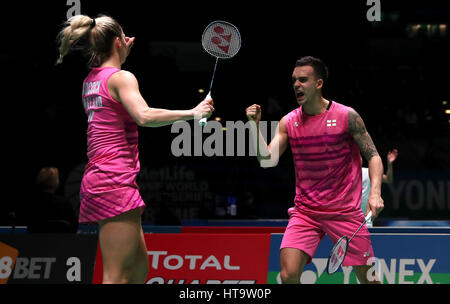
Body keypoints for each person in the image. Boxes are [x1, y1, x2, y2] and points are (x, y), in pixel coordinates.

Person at [56, 15, 214, 284]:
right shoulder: (121, 78)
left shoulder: (91, 81)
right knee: (115, 275)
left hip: (104, 178)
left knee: (140, 270)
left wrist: (120, 51)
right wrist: (193, 112)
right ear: (118, 41)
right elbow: (144, 116)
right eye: (124, 36)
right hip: (113, 180)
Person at [245, 56, 384, 284]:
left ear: (318, 83)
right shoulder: (289, 121)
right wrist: (253, 126)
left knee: (368, 279)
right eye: (294, 81)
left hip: (344, 212)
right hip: (306, 212)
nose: (296, 85)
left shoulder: (346, 116)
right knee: (288, 274)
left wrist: (376, 193)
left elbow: (374, 156)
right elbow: (266, 160)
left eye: (303, 80)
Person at [28, 167, 78, 233]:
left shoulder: (32, 203)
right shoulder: (64, 203)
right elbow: (74, 227)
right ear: (56, 182)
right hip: (62, 241)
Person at [362, 149, 398, 227]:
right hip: (349, 220)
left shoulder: (369, 172)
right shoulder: (345, 175)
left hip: (366, 220)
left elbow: (389, 179)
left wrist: (389, 164)